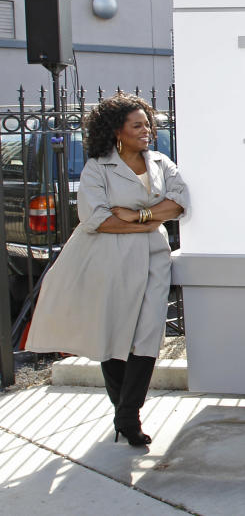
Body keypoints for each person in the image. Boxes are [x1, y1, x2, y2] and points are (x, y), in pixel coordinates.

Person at [26, 92, 189, 447]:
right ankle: (127, 416)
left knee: (147, 336)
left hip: (153, 260)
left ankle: (127, 413)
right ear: (118, 131)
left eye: (148, 123)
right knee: (114, 333)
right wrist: (145, 220)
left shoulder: (160, 162)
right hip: (109, 259)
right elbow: (96, 219)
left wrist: (137, 214)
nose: (148, 130)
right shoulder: (98, 168)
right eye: (138, 125)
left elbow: (178, 203)